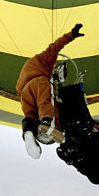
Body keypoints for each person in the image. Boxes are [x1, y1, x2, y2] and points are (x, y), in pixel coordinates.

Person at [16, 24, 84, 158]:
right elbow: (55, 47)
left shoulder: (32, 64)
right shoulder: (44, 61)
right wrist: (70, 36)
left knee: (32, 114)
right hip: (37, 84)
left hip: (24, 92)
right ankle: (48, 123)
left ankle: (29, 131)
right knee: (46, 101)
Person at [54, 83, 99, 184]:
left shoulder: (86, 164)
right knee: (66, 99)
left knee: (66, 99)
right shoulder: (90, 162)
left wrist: (67, 150)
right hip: (78, 127)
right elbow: (67, 155)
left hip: (76, 128)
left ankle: (62, 87)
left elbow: (67, 154)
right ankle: (61, 87)